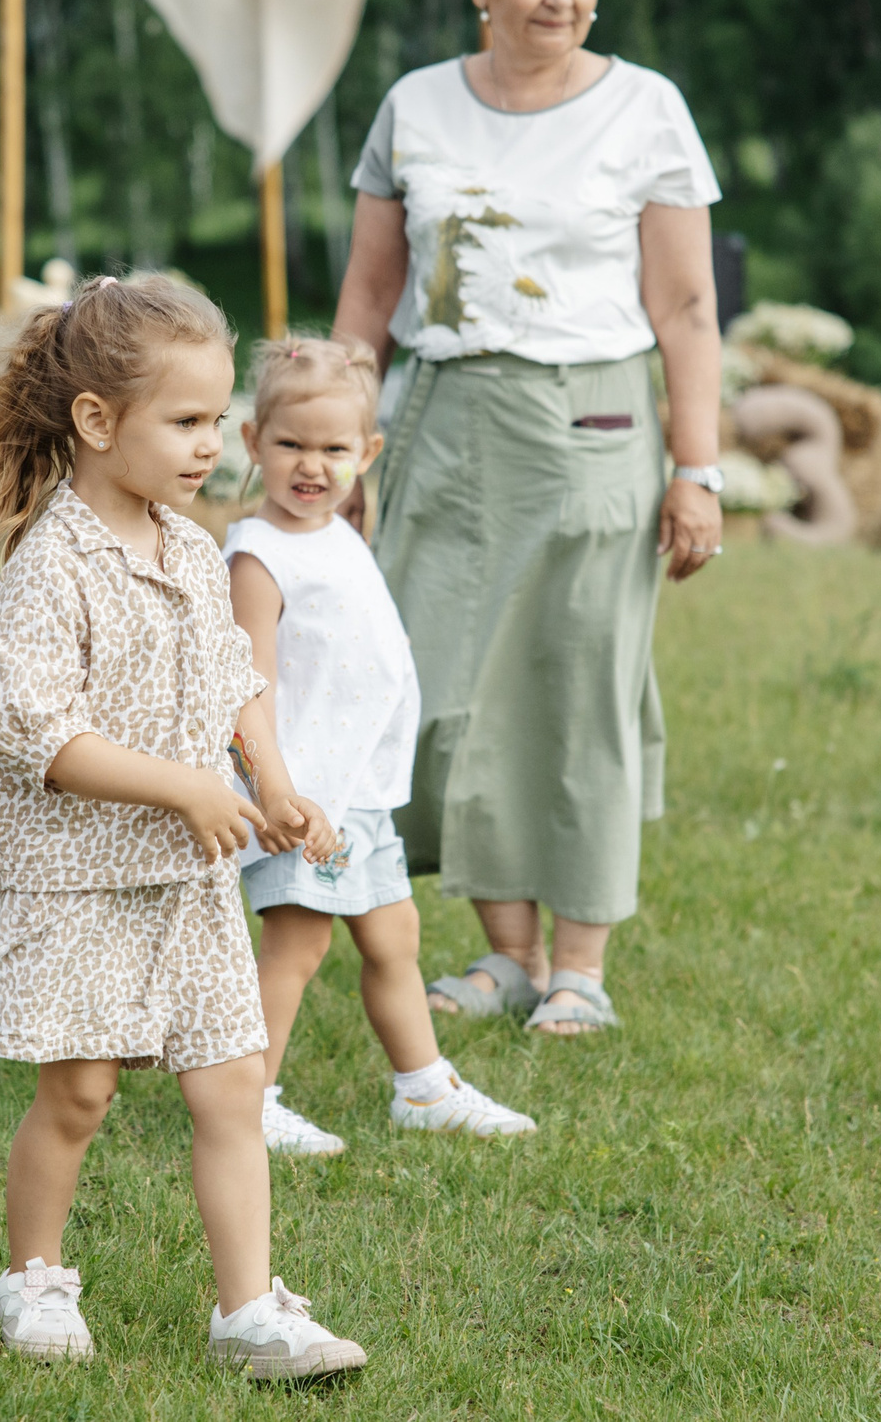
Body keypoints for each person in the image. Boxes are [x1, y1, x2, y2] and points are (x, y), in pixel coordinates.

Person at [331, 0, 727, 1038]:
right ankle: (503, 955)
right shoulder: (415, 106)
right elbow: (365, 302)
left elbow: (686, 311)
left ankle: (579, 967)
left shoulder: (645, 108)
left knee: (576, 688)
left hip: (595, 425)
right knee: (444, 696)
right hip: (445, 429)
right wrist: (342, 450)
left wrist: (696, 470)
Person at [0, 275, 368, 1381]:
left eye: (218, 421)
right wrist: (180, 789)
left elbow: (233, 676)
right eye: (184, 422)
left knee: (232, 1086)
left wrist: (269, 779)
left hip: (185, 882)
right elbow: (32, 734)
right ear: (96, 422)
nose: (210, 447)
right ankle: (32, 1276)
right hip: (82, 881)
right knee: (77, 1094)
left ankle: (248, 1311)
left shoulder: (188, 546)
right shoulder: (52, 569)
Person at [224, 334, 537, 1155]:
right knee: (298, 942)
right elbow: (246, 685)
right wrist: (279, 795)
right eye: (290, 443)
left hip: (359, 787)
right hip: (303, 793)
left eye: (334, 449)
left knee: (394, 935)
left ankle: (423, 1087)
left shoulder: (339, 533)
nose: (311, 465)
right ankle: (247, 1099)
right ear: (253, 442)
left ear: (367, 452)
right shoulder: (259, 555)